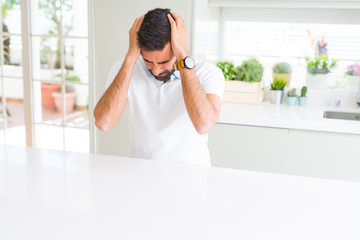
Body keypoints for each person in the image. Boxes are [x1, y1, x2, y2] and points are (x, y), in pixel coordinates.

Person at [93, 8, 224, 166]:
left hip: (191, 173)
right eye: (148, 61)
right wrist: (130, 57)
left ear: (178, 47)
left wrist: (183, 56)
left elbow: (204, 125)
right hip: (141, 172)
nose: (155, 70)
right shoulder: (125, 69)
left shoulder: (208, 73)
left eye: (163, 62)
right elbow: (104, 123)